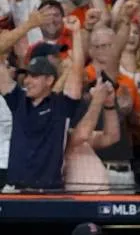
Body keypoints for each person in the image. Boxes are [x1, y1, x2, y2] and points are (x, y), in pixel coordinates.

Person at [1, 16, 84, 191]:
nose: (28, 81)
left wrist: (76, 32)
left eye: (35, 76)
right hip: (15, 191)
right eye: (27, 75)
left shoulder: (62, 105)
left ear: (49, 80)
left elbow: (77, 69)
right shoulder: (18, 100)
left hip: (49, 192)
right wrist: (26, 26)